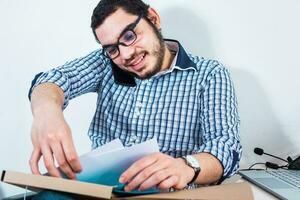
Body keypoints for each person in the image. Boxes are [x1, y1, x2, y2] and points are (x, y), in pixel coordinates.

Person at [28, 0, 241, 198]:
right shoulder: (107, 62)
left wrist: (186, 166)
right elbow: (54, 80)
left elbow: (226, 147)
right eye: (113, 48)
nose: (126, 54)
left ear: (153, 19)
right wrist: (47, 112)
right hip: (102, 192)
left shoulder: (209, 74)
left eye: (130, 36)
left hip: (170, 194)